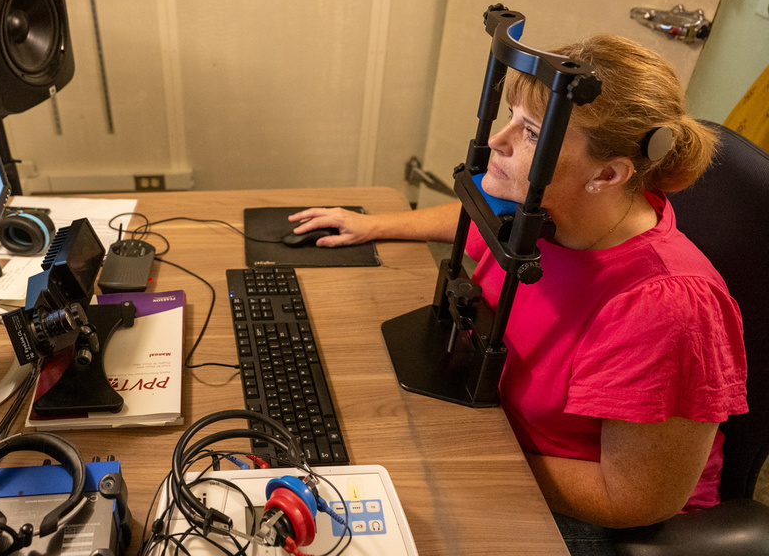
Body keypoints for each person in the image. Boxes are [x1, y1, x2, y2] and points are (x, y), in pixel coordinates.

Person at [289, 35, 747, 553]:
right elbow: (481, 213)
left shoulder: (665, 308)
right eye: (509, 116)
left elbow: (634, 499)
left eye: (530, 133)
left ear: (607, 174)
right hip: (493, 429)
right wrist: (373, 226)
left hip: (595, 520)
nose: (499, 142)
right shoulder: (549, 207)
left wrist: (455, 452)